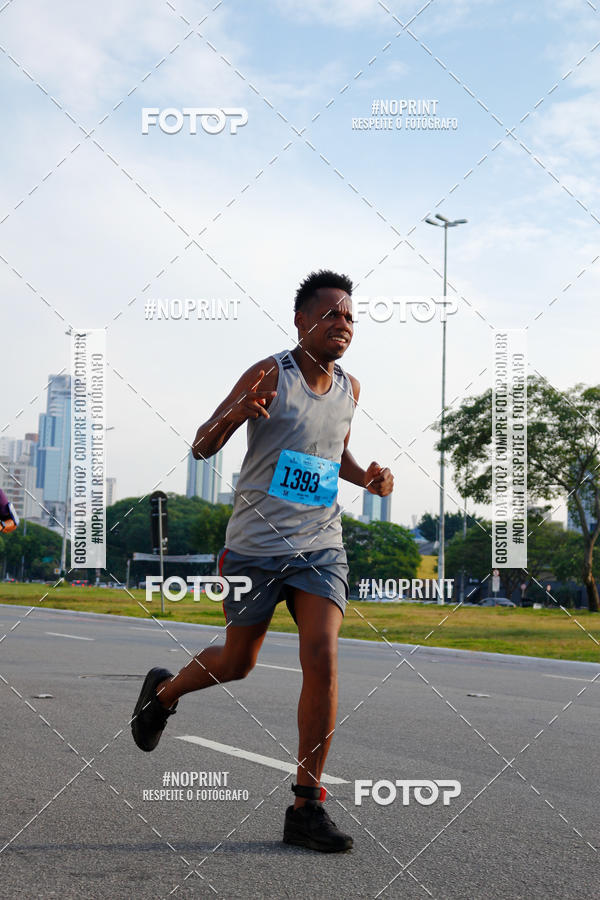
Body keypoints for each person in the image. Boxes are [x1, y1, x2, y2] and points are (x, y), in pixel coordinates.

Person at [131, 269, 394, 852]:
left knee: (321, 657)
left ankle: (305, 806)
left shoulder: (353, 388)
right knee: (237, 661)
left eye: (349, 316)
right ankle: (164, 694)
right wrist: (236, 415)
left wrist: (367, 477)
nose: (342, 325)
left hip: (321, 546)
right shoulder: (269, 372)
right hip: (255, 546)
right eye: (330, 315)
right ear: (301, 320)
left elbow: (334, 452)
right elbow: (202, 443)